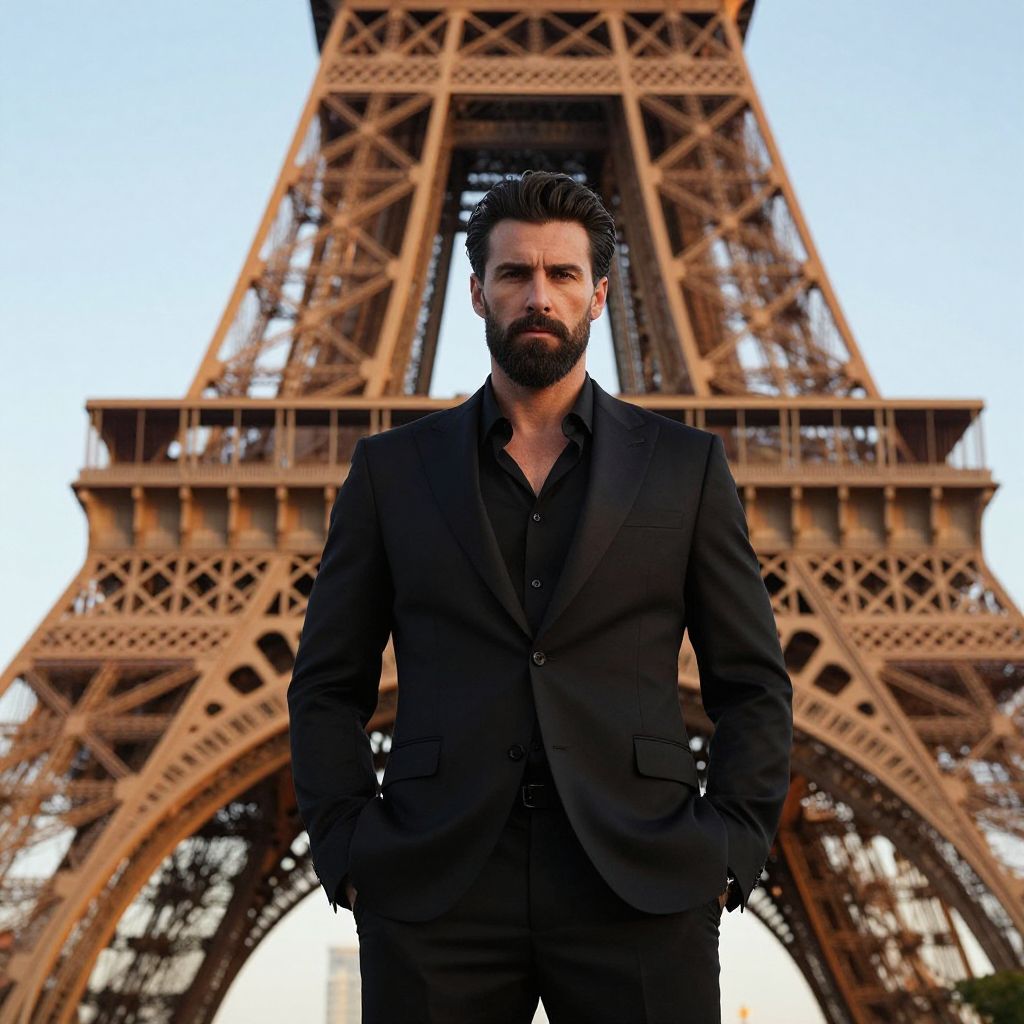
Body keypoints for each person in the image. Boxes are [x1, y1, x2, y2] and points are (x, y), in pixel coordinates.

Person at [287, 170, 793, 1023]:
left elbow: (753, 683)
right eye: (515, 274)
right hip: (436, 887)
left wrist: (728, 849)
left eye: (561, 275)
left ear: (598, 295)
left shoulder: (685, 468)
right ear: (478, 292)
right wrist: (348, 847)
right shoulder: (391, 471)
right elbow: (327, 683)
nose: (538, 295)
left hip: (639, 883)